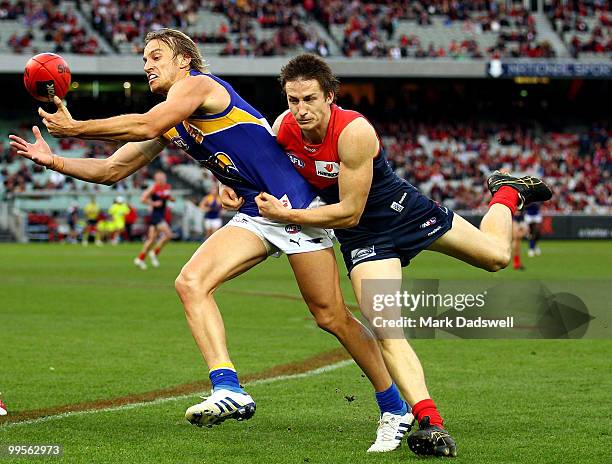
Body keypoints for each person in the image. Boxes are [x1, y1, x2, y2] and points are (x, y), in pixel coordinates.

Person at [9, 29, 412, 453]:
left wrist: (74, 127)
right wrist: (53, 160)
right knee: (191, 282)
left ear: (184, 60)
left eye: (156, 56)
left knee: (332, 318)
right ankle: (229, 387)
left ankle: (394, 405)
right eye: (144, 59)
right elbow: (112, 169)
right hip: (257, 211)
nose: (147, 65)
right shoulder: (172, 123)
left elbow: (146, 123)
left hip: (294, 206)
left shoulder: (200, 86)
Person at [234, 54, 552, 458]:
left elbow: (348, 208)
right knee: (385, 325)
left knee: (496, 257)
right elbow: (257, 168)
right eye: (293, 100)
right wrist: (236, 189)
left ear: (330, 96)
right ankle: (431, 423)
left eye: (309, 99)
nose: (300, 110)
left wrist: (288, 214)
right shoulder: (283, 129)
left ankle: (507, 192)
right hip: (364, 238)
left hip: (403, 211)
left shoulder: (354, 132)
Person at [134, 171, 174, 268]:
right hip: (156, 215)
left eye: (163, 178)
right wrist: (153, 204)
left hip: (161, 214)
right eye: (160, 179)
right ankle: (154, 252)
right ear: (156, 179)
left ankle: (140, 259)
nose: (162, 180)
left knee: (151, 240)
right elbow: (142, 199)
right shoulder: (153, 187)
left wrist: (170, 199)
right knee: (168, 234)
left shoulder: (166, 187)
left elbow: (167, 198)